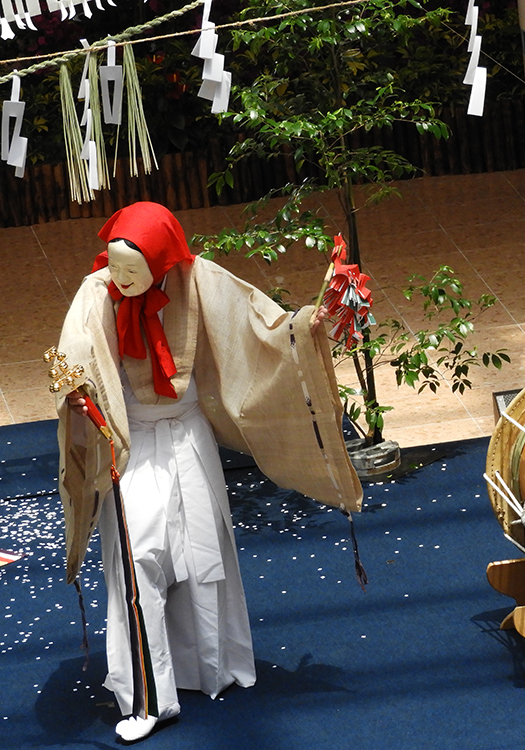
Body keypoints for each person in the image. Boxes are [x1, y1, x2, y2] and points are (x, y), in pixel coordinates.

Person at [56, 202, 363, 741]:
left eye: (134, 271)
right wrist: (77, 394)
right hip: (130, 443)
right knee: (138, 559)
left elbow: (257, 326)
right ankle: (149, 698)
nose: (120, 279)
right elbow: (74, 354)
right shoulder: (95, 290)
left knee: (203, 554)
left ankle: (210, 666)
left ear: (162, 262)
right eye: (115, 267)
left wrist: (304, 325)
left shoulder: (196, 279)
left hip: (188, 433)